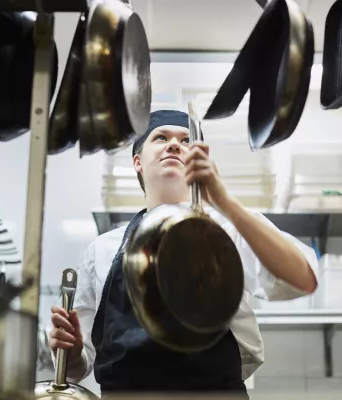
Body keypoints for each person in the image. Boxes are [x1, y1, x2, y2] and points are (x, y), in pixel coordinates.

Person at [46, 110, 318, 397]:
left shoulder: (226, 227)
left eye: (186, 141)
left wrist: (224, 201)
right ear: (138, 162)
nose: (175, 144)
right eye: (161, 137)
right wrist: (72, 352)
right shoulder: (102, 250)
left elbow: (303, 278)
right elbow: (78, 368)